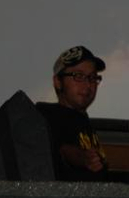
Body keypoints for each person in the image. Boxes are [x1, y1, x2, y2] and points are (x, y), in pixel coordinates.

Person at [35, 46, 109, 182]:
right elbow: (64, 150)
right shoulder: (48, 115)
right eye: (78, 76)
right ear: (58, 82)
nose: (88, 85)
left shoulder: (83, 121)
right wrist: (84, 158)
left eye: (92, 77)